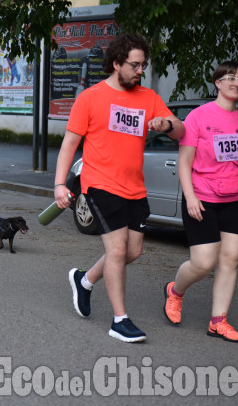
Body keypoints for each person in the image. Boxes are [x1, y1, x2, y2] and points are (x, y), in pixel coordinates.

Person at [54, 33, 185, 343]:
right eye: (134, 65)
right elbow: (69, 144)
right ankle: (119, 320)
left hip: (135, 188)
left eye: (143, 65)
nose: (140, 70)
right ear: (116, 63)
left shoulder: (149, 98)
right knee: (116, 250)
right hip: (100, 184)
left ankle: (84, 281)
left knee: (133, 251)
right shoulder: (90, 98)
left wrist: (165, 125)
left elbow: (181, 130)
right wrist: (60, 183)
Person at [163, 62, 238, 342]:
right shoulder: (198, 117)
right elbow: (185, 163)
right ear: (217, 83)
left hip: (236, 199)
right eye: (231, 78)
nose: (237, 83)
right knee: (202, 263)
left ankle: (218, 321)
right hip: (202, 197)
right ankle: (175, 291)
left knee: (230, 260)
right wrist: (191, 197)